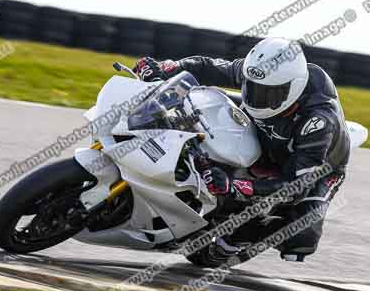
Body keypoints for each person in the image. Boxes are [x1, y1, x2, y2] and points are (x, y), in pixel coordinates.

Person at [133, 37, 350, 265]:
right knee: (201, 102)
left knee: (300, 235)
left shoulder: (319, 121)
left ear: (293, 89)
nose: (257, 97)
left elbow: (296, 186)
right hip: (263, 132)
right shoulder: (261, 72)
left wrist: (234, 186)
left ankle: (234, 243)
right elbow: (209, 67)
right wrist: (166, 68)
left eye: (268, 93)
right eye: (252, 88)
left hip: (317, 168)